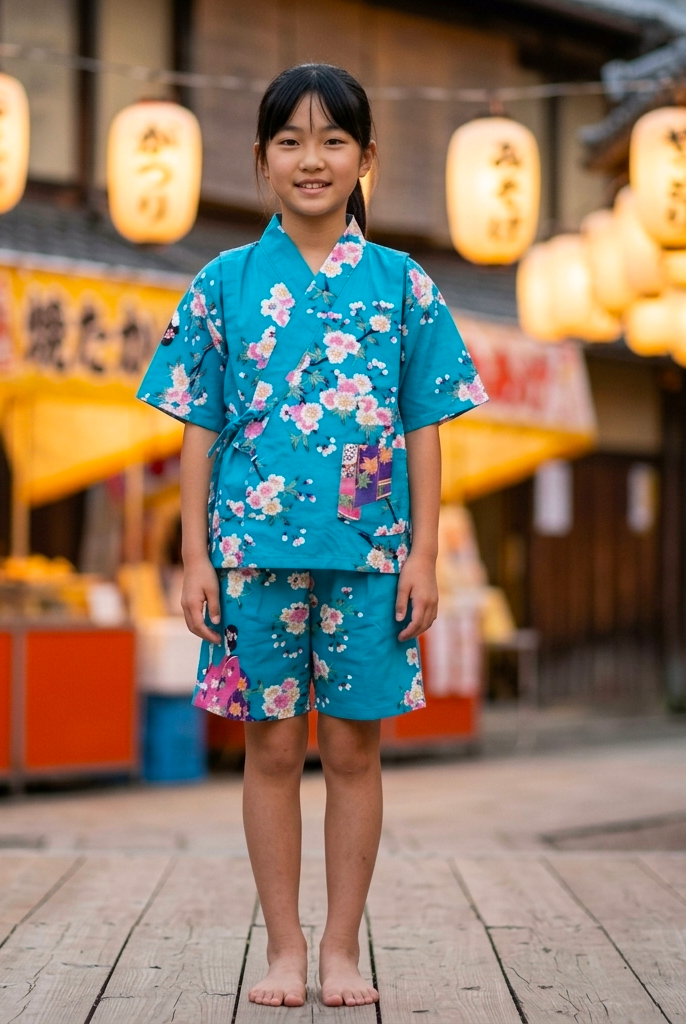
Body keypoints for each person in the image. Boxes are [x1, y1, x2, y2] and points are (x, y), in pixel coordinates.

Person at [137, 62, 487, 1008]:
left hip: (371, 555)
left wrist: (422, 551)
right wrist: (192, 553)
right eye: (289, 140)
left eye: (334, 139)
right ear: (259, 162)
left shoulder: (404, 285)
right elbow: (197, 425)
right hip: (251, 554)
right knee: (272, 751)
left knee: (354, 754)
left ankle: (341, 949)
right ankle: (284, 948)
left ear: (367, 157)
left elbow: (426, 423)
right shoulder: (223, 282)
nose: (312, 157)